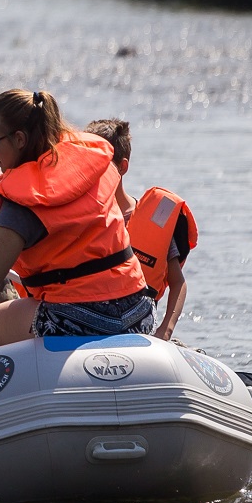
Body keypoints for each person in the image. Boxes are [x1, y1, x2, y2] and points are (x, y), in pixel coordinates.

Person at [0, 89, 155, 353]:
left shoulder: (21, 202)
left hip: (81, 317)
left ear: (19, 139)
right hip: (137, 308)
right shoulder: (93, 166)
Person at [89, 118, 195, 341]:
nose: (91, 171)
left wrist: (165, 330)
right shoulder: (82, 217)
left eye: (100, 163)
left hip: (138, 329)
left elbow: (178, 282)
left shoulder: (154, 220)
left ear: (122, 167)